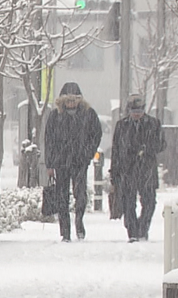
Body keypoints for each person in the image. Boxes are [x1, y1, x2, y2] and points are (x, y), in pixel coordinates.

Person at [43, 82, 102, 241]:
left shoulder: (88, 115)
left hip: (80, 161)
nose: (71, 103)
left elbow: (96, 135)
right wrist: (49, 164)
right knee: (62, 197)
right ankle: (65, 231)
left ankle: (79, 220)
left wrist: (88, 153)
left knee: (80, 194)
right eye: (68, 100)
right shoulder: (55, 116)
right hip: (61, 162)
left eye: (74, 99)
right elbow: (49, 140)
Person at [110, 94, 165, 242]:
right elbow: (115, 149)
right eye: (134, 111)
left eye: (139, 110)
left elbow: (161, 144)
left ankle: (143, 227)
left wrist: (147, 149)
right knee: (128, 202)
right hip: (127, 169)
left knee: (149, 202)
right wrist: (114, 172)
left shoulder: (153, 124)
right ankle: (132, 231)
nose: (136, 114)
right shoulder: (122, 125)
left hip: (147, 169)